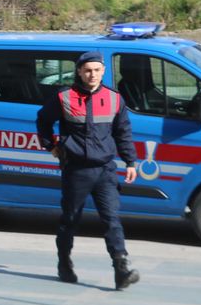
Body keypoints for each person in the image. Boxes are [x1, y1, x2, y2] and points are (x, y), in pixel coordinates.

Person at [36, 50, 140, 290]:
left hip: (105, 170)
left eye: (96, 70)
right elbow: (43, 120)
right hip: (77, 170)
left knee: (112, 219)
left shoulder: (114, 98)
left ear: (103, 71)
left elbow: (123, 132)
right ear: (80, 72)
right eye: (87, 71)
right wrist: (51, 145)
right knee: (70, 219)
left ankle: (121, 268)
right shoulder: (64, 97)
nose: (92, 75)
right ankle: (64, 263)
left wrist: (130, 162)